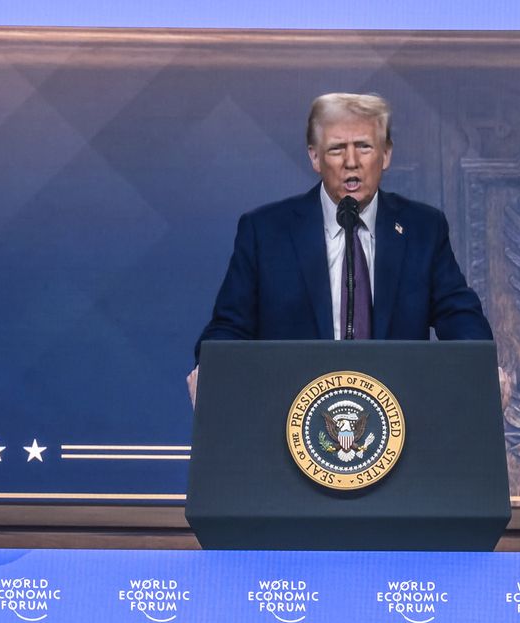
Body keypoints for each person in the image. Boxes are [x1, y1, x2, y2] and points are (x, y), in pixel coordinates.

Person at [192, 92, 491, 397]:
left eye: (364, 147)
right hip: (290, 410)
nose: (351, 162)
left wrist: (483, 368)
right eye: (337, 149)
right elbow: (230, 327)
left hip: (399, 409)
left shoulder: (422, 229)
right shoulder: (266, 232)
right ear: (315, 157)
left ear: (386, 154)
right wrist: (211, 368)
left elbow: (460, 316)